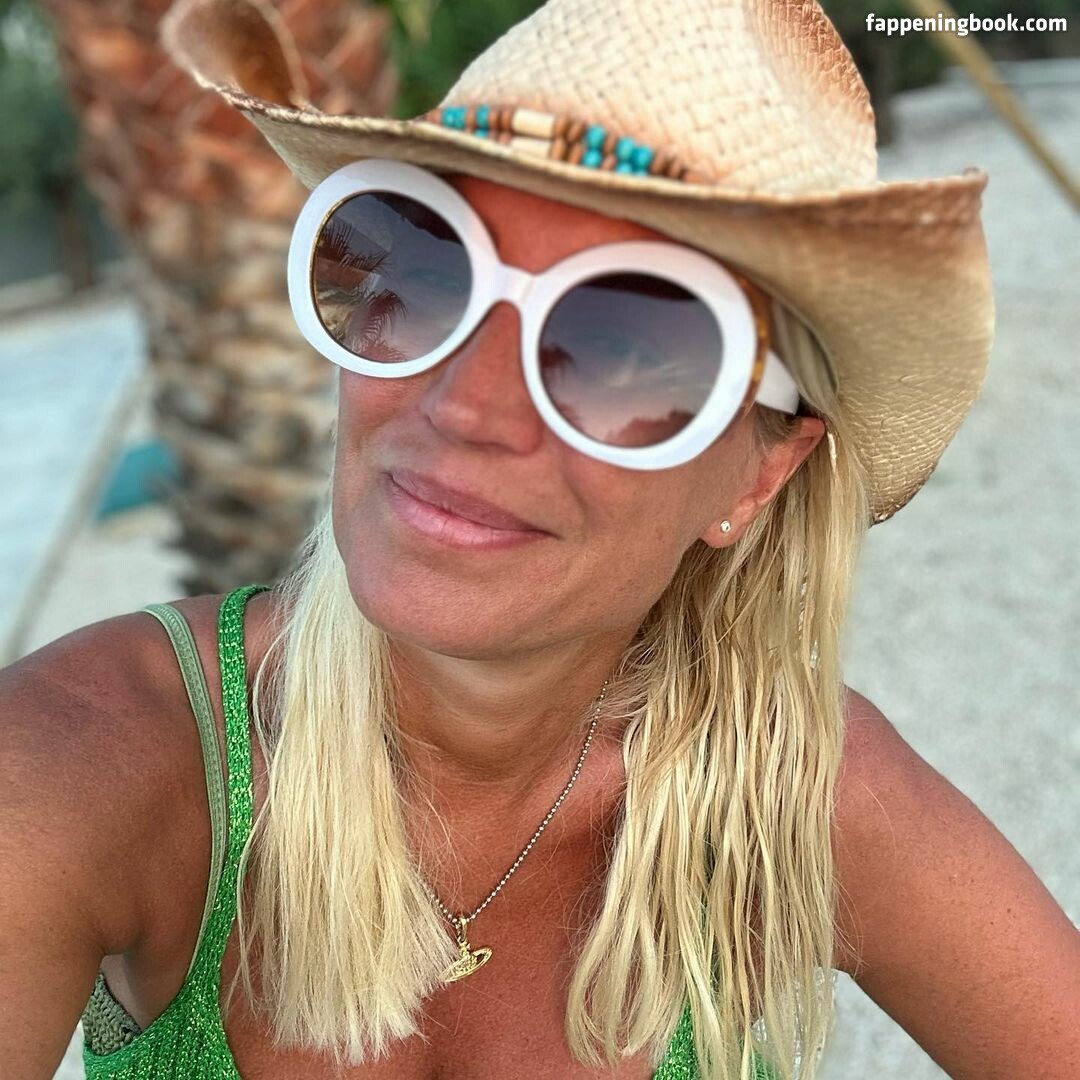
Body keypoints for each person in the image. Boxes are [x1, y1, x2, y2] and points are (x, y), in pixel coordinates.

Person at [3, 0, 1078, 1077]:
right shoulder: (93, 761)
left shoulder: (787, 797)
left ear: (759, 473)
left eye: (623, 345)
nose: (466, 407)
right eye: (425, 273)